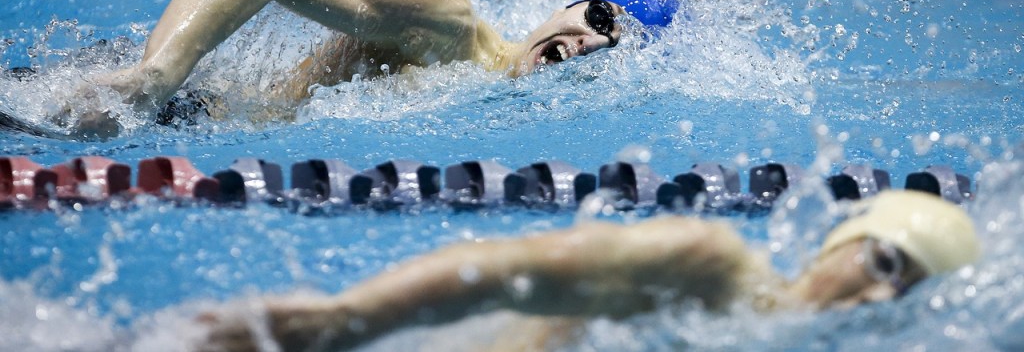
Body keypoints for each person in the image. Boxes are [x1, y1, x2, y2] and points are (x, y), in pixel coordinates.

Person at [195, 190, 979, 351]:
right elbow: (502, 268)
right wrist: (345, 320)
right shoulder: (713, 269)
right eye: (883, 260)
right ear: (843, 238)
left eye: (907, 286)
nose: (880, 293)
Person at [69, 0, 643, 136]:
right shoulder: (446, 24)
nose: (592, 45)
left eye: (610, 49)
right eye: (599, 20)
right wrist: (156, 76)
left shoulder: (492, 101)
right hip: (167, 112)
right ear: (569, 4)